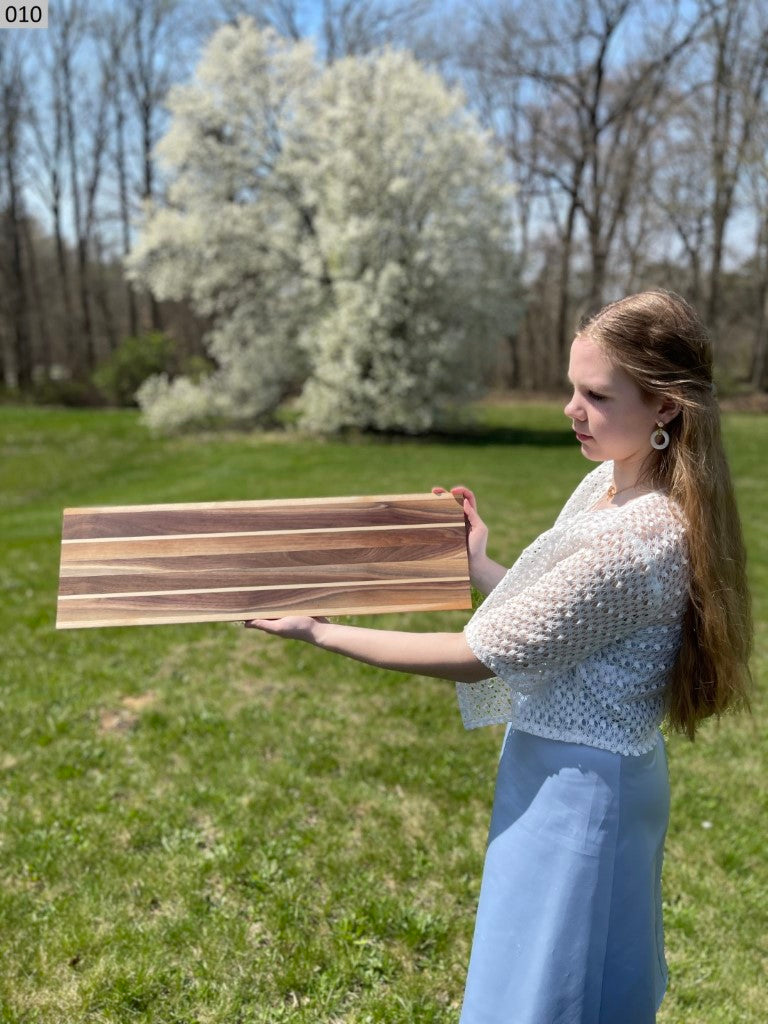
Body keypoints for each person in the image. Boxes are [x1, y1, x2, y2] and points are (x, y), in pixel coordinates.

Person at [243, 289, 752, 1023]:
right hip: (564, 772)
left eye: (596, 395)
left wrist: (319, 632)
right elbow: (564, 617)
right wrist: (481, 564)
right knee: (537, 980)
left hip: (585, 792)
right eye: (572, 388)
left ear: (667, 407)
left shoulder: (638, 539)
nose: (571, 410)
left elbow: (479, 653)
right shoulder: (608, 484)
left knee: (554, 993)